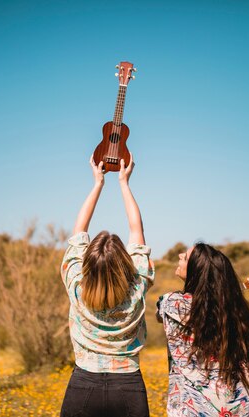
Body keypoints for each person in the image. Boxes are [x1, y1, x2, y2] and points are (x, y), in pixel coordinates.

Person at [59, 154, 154, 417]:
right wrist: (124, 183)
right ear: (126, 263)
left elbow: (78, 233)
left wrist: (97, 183)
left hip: (83, 385)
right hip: (129, 387)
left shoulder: (77, 286)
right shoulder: (136, 288)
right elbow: (137, 230)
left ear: (87, 264)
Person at [157, 244, 249, 417]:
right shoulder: (234, 309)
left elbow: (160, 311)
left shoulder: (172, 304)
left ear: (197, 272)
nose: (180, 255)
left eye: (186, 257)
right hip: (239, 402)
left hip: (195, 408)